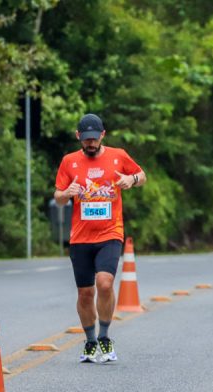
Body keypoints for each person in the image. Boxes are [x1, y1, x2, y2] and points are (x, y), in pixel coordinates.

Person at [54, 113, 146, 363]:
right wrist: (67, 193)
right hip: (80, 238)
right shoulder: (69, 161)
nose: (91, 143)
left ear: (103, 135)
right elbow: (58, 198)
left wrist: (131, 179)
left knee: (105, 283)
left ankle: (104, 337)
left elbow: (142, 176)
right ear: (78, 137)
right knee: (85, 293)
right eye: (86, 139)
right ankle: (90, 341)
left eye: (95, 138)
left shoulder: (118, 156)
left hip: (110, 233)